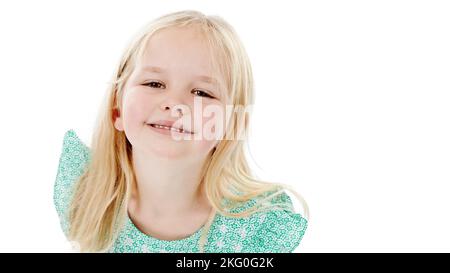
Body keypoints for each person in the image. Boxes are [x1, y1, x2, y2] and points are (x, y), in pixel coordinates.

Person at [53, 9, 309, 253]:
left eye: (202, 93)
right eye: (154, 83)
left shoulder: (258, 226)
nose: (174, 103)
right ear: (116, 110)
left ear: (232, 125)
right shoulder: (83, 193)